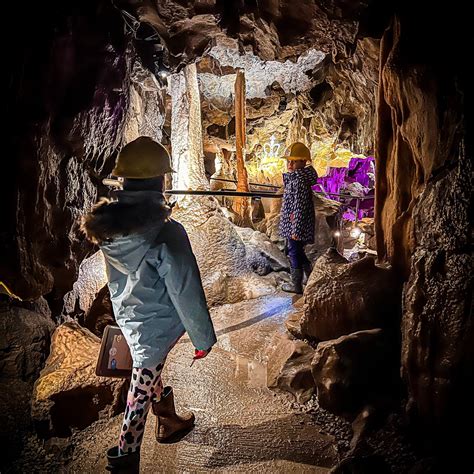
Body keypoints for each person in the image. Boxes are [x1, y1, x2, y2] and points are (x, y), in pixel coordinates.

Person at [81, 136, 217, 473]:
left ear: (124, 182)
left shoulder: (111, 227)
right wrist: (202, 339)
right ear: (160, 181)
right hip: (157, 325)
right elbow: (185, 289)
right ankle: (125, 459)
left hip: (129, 316)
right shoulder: (166, 234)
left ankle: (169, 420)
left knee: (150, 370)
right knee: (139, 391)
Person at [279, 142, 318, 294]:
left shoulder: (300, 180)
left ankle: (296, 286)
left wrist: (295, 229)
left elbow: (300, 206)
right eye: (288, 160)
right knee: (297, 250)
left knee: (293, 251)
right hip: (293, 222)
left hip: (296, 224)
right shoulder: (295, 178)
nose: (289, 163)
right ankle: (310, 276)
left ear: (303, 161)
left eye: (293, 161)